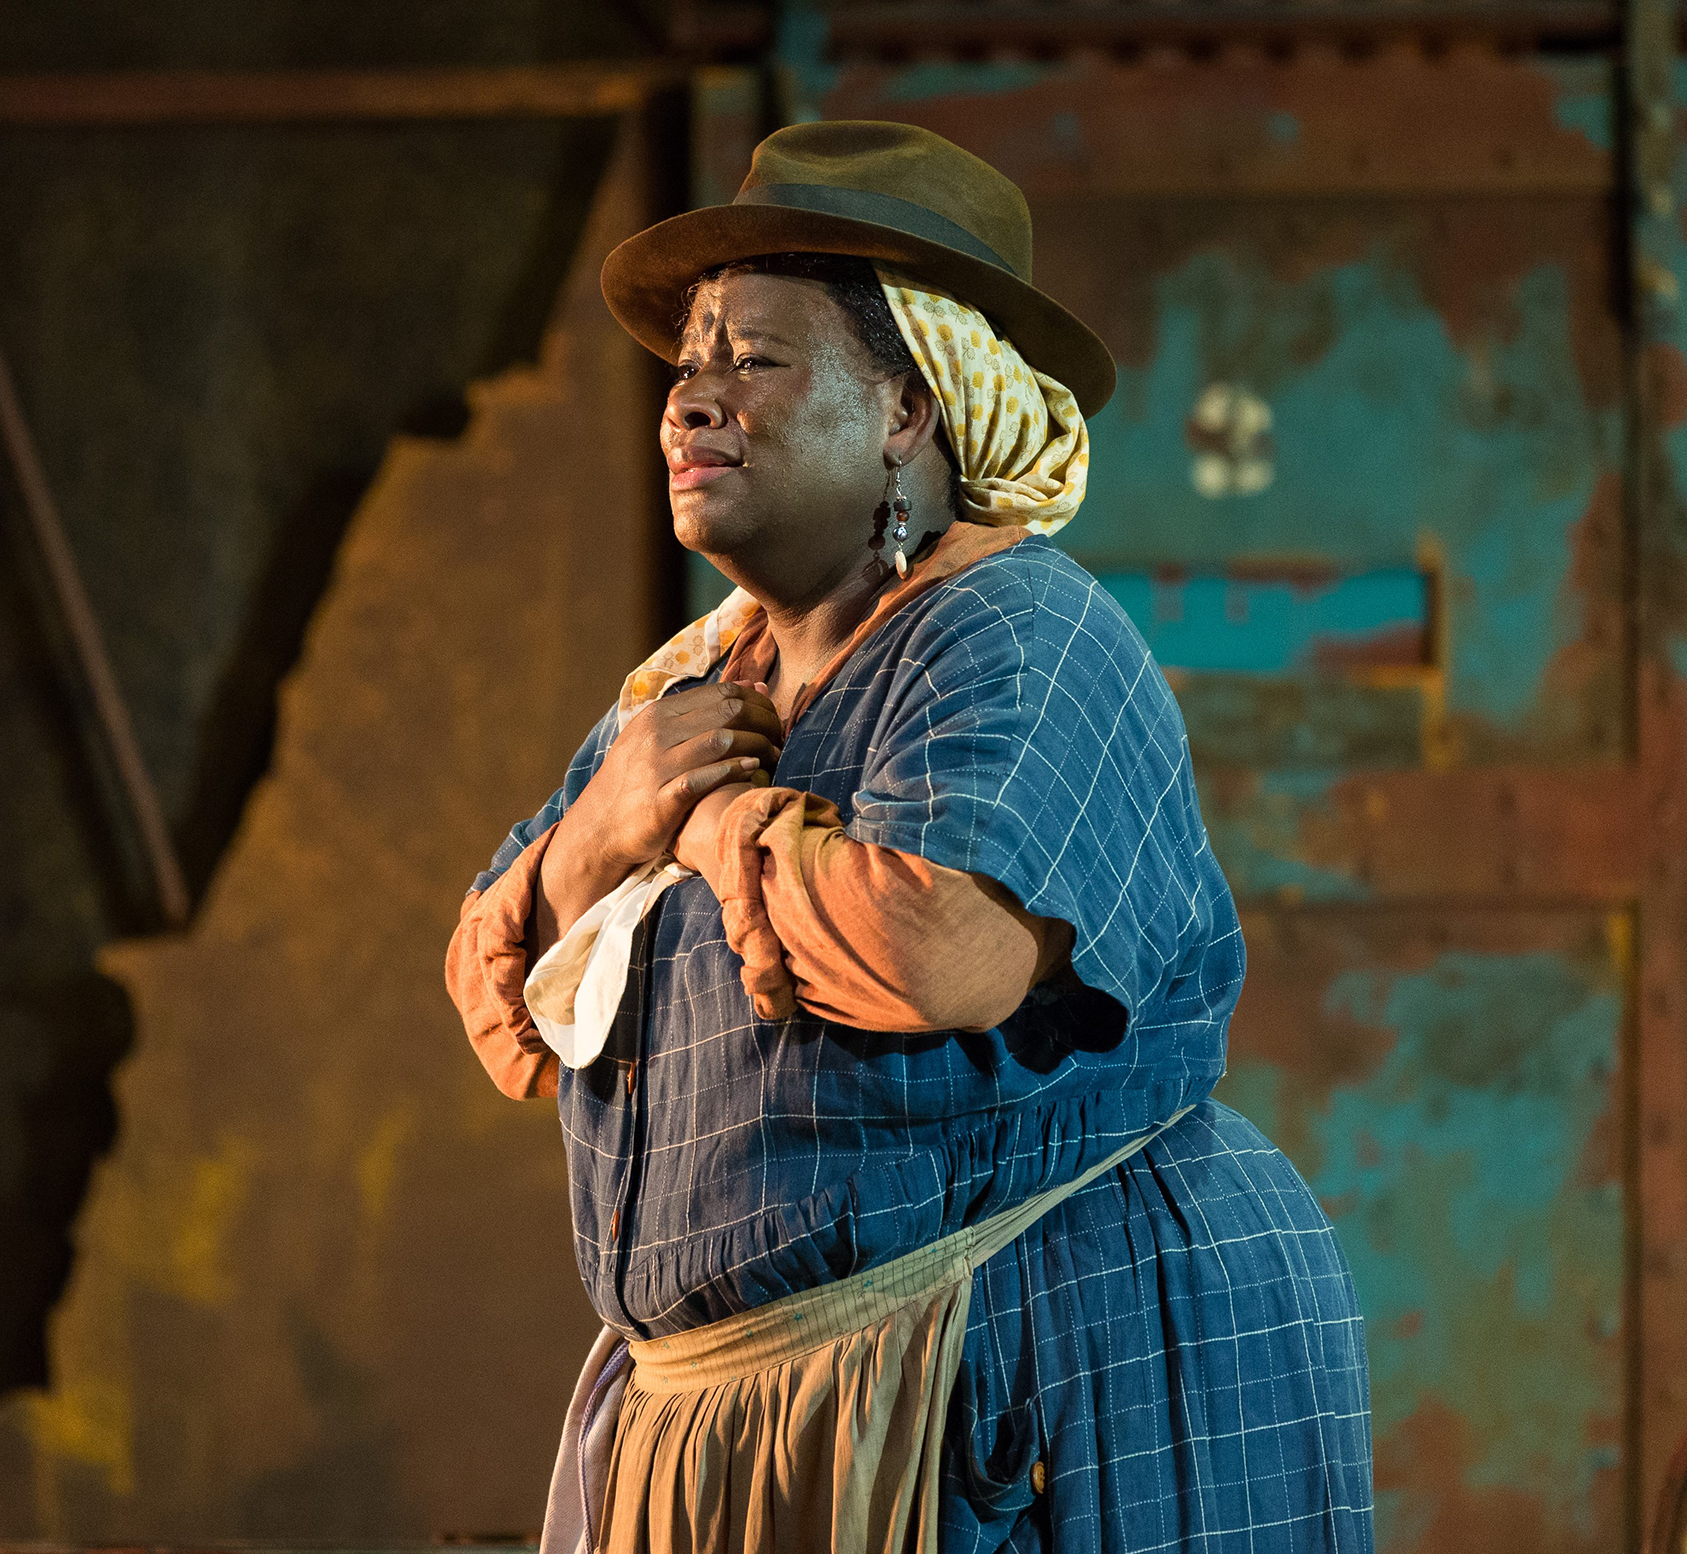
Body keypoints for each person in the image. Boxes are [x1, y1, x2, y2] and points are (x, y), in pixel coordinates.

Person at [446, 119, 1375, 1553]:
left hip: (1027, 1380)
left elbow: (942, 943)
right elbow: (498, 994)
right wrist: (609, 825)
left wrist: (715, 828)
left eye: (755, 358)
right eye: (688, 362)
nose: (692, 398)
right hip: (750, 1410)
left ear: (908, 409)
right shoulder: (688, 692)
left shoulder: (1020, 631)